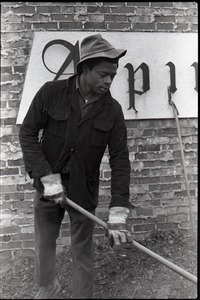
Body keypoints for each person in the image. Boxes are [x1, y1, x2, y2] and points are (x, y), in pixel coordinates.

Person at [19, 34, 134, 299]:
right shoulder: (51, 92)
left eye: (113, 76)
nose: (109, 81)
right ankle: (48, 285)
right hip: (48, 186)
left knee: (82, 249)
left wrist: (118, 212)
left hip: (84, 189)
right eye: (103, 74)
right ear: (84, 69)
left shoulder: (112, 110)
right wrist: (48, 180)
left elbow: (120, 160)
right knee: (44, 243)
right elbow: (28, 133)